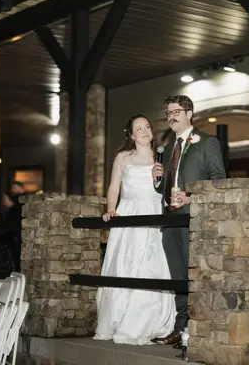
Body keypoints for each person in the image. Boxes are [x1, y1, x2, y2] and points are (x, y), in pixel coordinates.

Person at [93, 114, 176, 345]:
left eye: (147, 127)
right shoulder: (123, 157)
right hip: (129, 212)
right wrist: (111, 210)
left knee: (151, 265)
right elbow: (114, 187)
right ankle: (118, 319)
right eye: (139, 128)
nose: (144, 131)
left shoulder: (161, 156)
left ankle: (148, 321)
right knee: (125, 264)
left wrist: (159, 180)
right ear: (131, 135)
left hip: (153, 212)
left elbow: (168, 188)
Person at [151, 95, 226, 347]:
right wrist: (157, 180)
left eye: (176, 112)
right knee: (177, 276)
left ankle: (198, 330)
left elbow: (219, 182)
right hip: (170, 220)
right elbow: (163, 188)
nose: (171, 117)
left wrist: (192, 197)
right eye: (168, 113)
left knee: (195, 276)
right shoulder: (167, 148)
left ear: (189, 113)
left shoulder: (206, 142)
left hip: (193, 220)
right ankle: (180, 328)